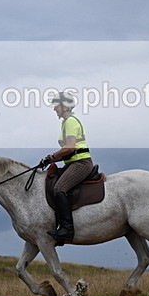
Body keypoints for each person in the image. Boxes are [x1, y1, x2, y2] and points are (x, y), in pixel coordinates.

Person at [40, 90, 94, 246]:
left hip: (81, 163)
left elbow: (70, 147)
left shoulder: (70, 121)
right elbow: (68, 151)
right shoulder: (65, 122)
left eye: (56, 106)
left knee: (59, 188)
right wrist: (50, 160)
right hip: (72, 162)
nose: (54, 109)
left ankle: (67, 229)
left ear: (64, 106)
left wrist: (52, 156)